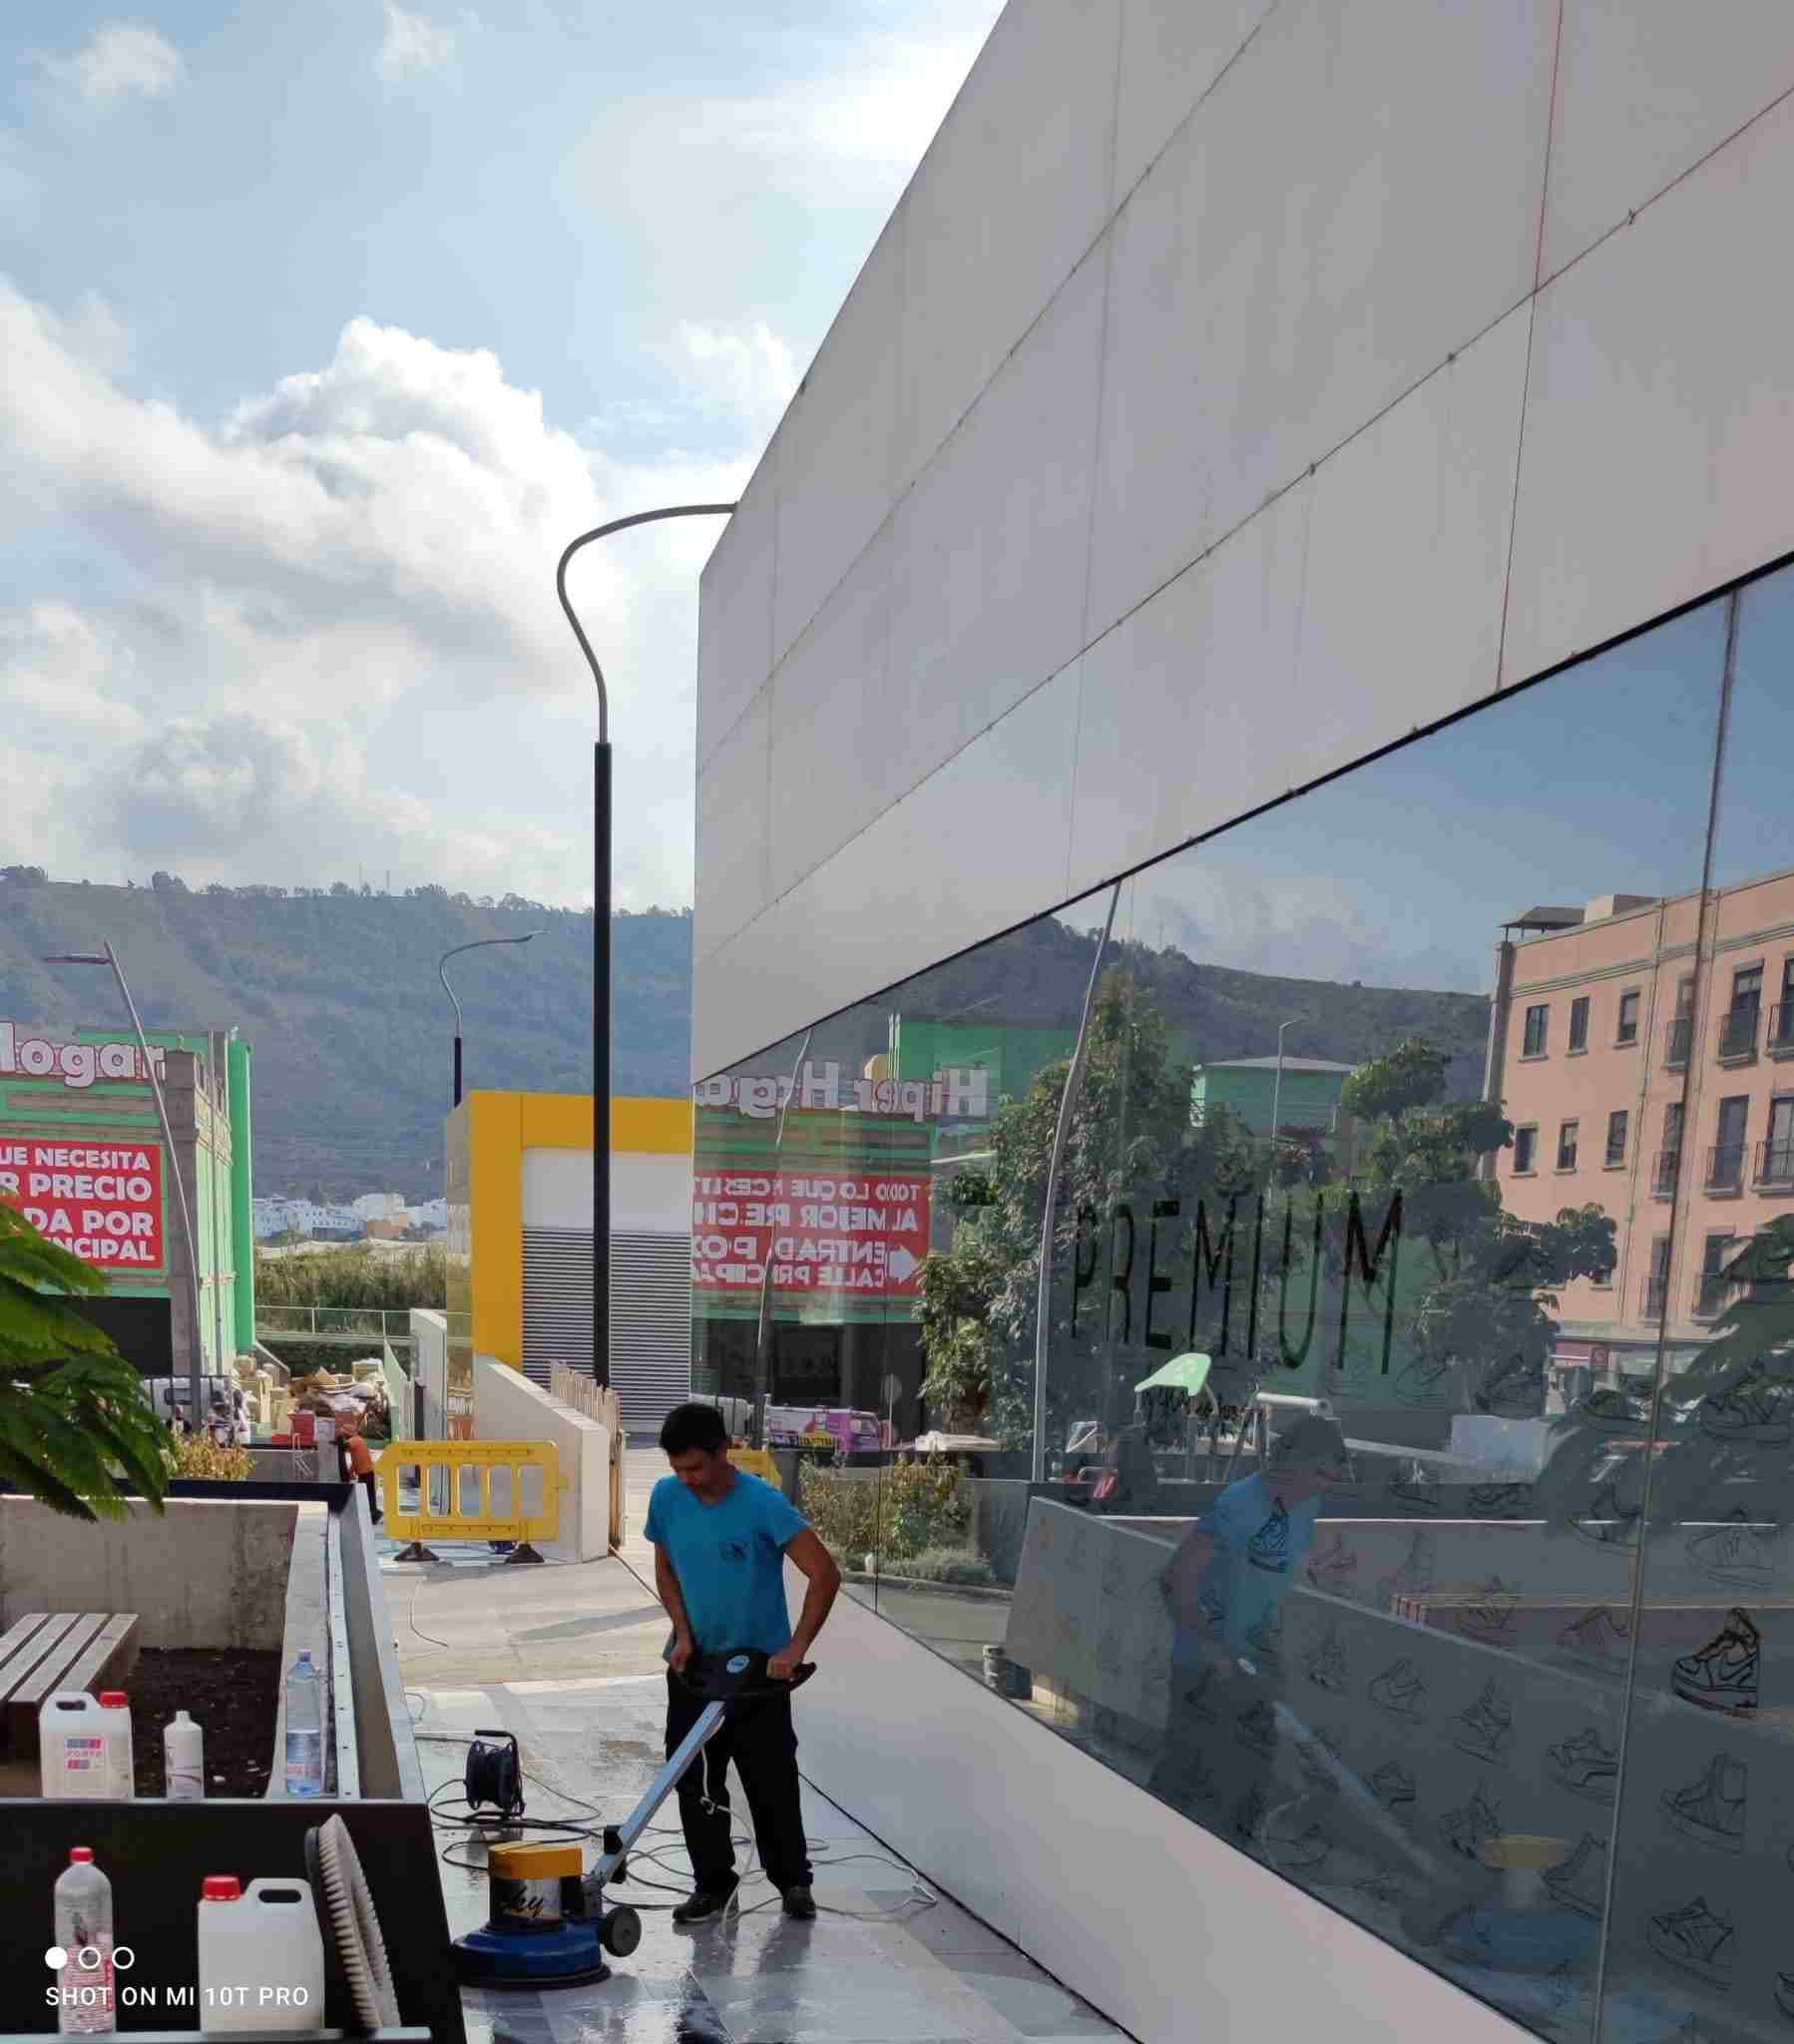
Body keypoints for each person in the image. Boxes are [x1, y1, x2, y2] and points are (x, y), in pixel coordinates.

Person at [647, 1401, 842, 1924]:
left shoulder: (764, 1504)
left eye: (696, 1468)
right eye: (678, 1469)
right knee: (695, 1781)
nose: (687, 1479)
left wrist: (795, 1649)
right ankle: (713, 1883)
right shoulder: (667, 1497)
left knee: (771, 1780)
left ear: (723, 1451)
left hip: (759, 1674)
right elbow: (665, 1567)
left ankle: (793, 1882)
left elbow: (824, 1573)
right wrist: (682, 1633)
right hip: (695, 1665)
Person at [1148, 1415, 1349, 1832]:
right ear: (1290, 1460)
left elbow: (1267, 1571)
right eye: (1319, 1472)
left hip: (1255, 1666)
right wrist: (1214, 1655)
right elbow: (1174, 1580)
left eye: (1332, 1476)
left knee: (1245, 1795)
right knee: (1182, 1794)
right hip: (1205, 1672)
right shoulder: (1237, 1505)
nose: (1324, 1485)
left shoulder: (1306, 1504)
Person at [336, 1414, 382, 1524]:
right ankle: (373, 1514)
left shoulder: (355, 1440)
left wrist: (336, 1441)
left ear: (347, 1434)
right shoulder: (358, 1440)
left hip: (366, 1473)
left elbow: (343, 1446)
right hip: (367, 1472)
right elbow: (355, 1460)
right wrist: (350, 1472)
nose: (343, 1436)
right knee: (368, 1495)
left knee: (366, 1495)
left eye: (344, 1434)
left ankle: (373, 1514)